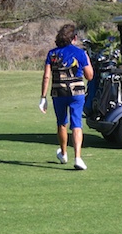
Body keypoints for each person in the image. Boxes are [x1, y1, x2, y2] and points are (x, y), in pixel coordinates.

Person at [39, 23, 94, 170]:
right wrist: (87, 60)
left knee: (62, 123)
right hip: (77, 93)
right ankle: (78, 158)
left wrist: (43, 97)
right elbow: (90, 76)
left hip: (58, 92)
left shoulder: (52, 54)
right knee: (76, 124)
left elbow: (46, 77)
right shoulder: (80, 53)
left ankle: (63, 153)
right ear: (74, 38)